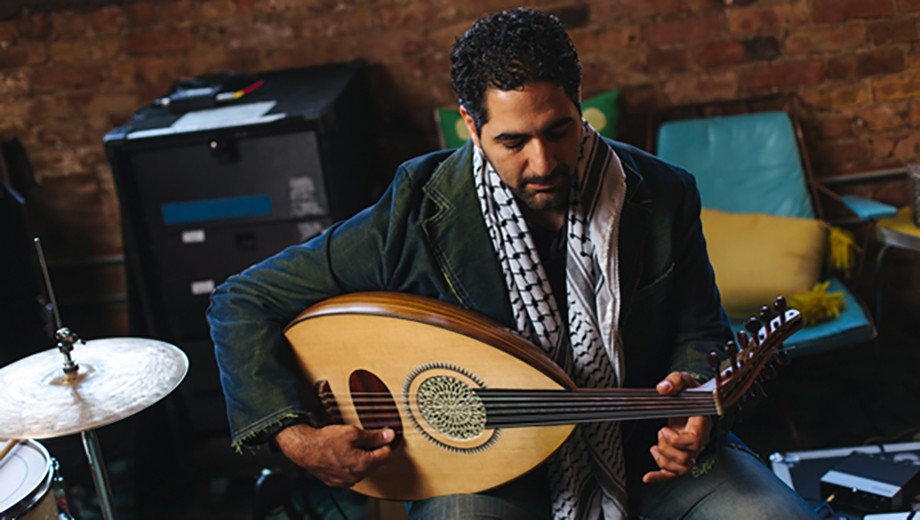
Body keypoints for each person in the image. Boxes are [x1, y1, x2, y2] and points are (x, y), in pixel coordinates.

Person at [208, 7, 816, 519]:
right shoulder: (417, 209)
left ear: (582, 106)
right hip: (484, 474)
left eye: (560, 130)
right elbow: (241, 301)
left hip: (642, 450)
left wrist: (693, 410)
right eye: (514, 142)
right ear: (471, 127)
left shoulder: (661, 192)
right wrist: (297, 438)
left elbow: (700, 330)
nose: (545, 161)